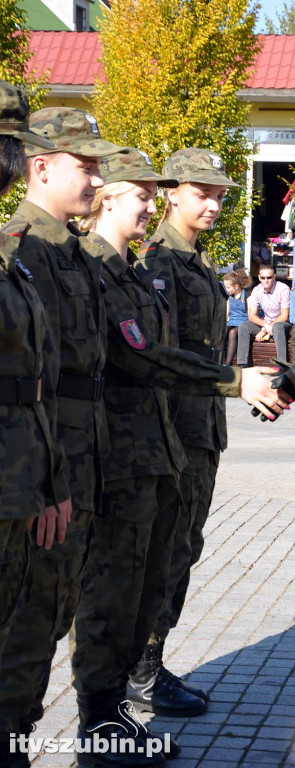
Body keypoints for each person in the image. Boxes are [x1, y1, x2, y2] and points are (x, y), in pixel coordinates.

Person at [130, 148, 287, 718]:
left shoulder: (196, 263)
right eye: (202, 192)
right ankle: (141, 673)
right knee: (164, 550)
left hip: (201, 428)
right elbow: (162, 356)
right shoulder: (157, 263)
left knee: (185, 547)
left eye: (220, 194)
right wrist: (235, 384)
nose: (214, 203)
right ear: (172, 192)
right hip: (171, 429)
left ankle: (148, 662)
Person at [0, 107, 123, 766]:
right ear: (39, 166)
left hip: (62, 462)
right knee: (28, 625)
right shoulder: (28, 247)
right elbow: (34, 379)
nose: (98, 179)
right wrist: (47, 481)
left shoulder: (58, 248)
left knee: (48, 614)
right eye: (87, 164)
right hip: (33, 473)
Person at [0, 82, 71, 768]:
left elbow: (35, 383)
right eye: (14, 145)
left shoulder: (7, 253)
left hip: (18, 485)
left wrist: (49, 482)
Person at [237, 263, 291, 366]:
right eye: (263, 277)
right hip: (266, 322)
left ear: (274, 276)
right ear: (259, 277)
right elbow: (252, 315)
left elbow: (284, 315)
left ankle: (282, 366)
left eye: (269, 277)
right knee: (244, 326)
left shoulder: (283, 288)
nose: (266, 280)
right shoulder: (257, 290)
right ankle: (242, 364)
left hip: (283, 323)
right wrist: (265, 326)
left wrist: (265, 329)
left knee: (277, 327)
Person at [223, 268, 253, 365]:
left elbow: (250, 313)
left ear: (236, 286)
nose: (226, 290)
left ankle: (228, 362)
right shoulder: (229, 297)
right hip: (232, 321)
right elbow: (227, 312)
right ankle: (218, 360)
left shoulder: (247, 295)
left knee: (232, 333)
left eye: (228, 287)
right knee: (222, 331)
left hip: (243, 322)